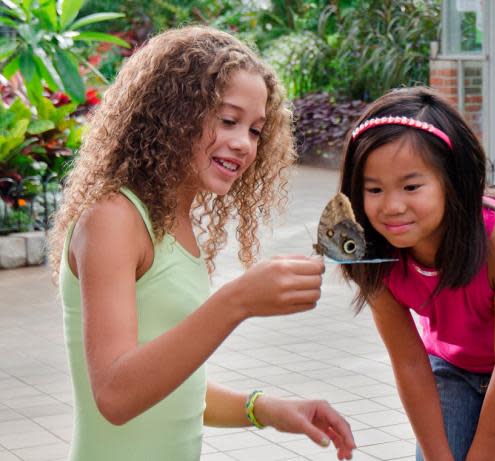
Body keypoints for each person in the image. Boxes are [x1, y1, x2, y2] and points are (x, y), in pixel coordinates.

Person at [48, 26, 355, 461]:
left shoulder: (173, 221)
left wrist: (265, 408)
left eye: (255, 130)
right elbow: (117, 395)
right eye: (228, 120)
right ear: (173, 113)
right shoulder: (113, 219)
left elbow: (170, 385)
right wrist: (238, 301)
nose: (244, 144)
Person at [338, 87, 495, 460]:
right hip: (454, 359)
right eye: (374, 189)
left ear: (453, 181)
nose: (392, 206)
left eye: (411, 186)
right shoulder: (370, 254)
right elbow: (409, 362)